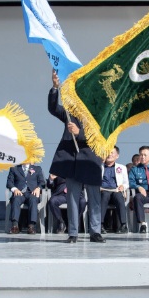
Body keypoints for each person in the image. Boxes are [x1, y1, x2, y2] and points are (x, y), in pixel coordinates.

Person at [49, 70, 105, 243]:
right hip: (71, 161)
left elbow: (99, 136)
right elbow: (52, 108)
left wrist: (79, 133)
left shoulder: (98, 114)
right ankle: (73, 233)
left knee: (94, 198)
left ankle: (95, 231)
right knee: (72, 197)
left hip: (90, 161)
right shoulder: (69, 113)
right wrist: (54, 88)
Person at [6, 162, 46, 234]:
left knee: (33, 200)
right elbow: (9, 182)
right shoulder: (14, 169)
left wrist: (38, 188)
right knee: (16, 199)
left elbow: (42, 182)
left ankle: (31, 226)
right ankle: (15, 226)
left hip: (32, 192)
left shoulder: (37, 169)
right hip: (19, 192)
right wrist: (14, 189)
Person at [99, 146, 129, 234]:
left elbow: (126, 183)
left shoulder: (122, 167)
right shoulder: (99, 166)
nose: (109, 154)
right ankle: (100, 225)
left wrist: (123, 187)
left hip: (116, 190)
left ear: (117, 156)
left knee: (119, 197)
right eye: (108, 152)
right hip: (103, 190)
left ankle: (123, 225)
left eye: (112, 152)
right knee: (104, 195)